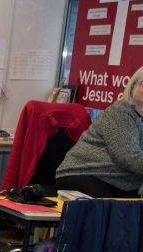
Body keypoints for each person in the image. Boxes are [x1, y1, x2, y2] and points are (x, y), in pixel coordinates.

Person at [55, 65, 143, 198]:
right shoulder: (121, 112)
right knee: (107, 212)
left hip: (119, 182)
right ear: (133, 85)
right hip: (84, 173)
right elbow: (129, 158)